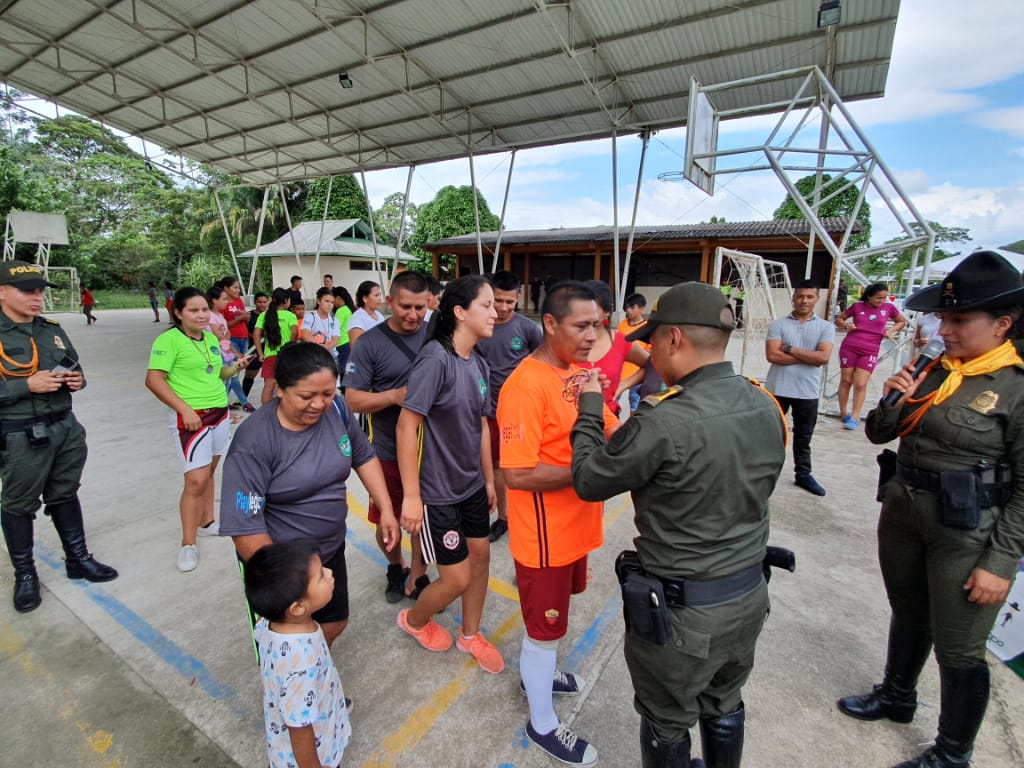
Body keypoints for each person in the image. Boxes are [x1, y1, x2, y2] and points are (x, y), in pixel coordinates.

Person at [571, 281, 787, 768]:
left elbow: (589, 479)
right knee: (724, 701)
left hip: (685, 615)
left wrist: (589, 407)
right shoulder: (764, 402)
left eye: (652, 341)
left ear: (673, 338)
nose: (650, 352)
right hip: (747, 595)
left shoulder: (663, 420)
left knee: (667, 719)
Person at [837, 250, 1024, 768]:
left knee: (959, 646)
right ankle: (897, 695)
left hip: (966, 532)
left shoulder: (1015, 387)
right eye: (944, 317)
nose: (945, 329)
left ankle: (952, 753)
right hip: (904, 513)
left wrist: (1000, 563)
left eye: (960, 320)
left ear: (1002, 324)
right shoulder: (935, 370)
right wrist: (895, 398)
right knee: (909, 612)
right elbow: (879, 433)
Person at [497, 280, 617, 767]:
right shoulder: (524, 386)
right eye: (581, 326)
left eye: (597, 325)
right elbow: (517, 472)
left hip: (574, 527)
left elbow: (605, 425)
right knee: (544, 628)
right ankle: (542, 723)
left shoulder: (579, 372)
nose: (592, 336)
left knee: (554, 620)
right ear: (549, 323)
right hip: (544, 537)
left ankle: (539, 675)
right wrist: (590, 469)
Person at [221, 342, 398, 648]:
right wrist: (293, 582)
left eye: (327, 393)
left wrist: (386, 509)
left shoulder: (338, 410)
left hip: (328, 551)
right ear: (279, 389)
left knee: (334, 622)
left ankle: (314, 672)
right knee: (285, 646)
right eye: (306, 396)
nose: (319, 404)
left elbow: (363, 456)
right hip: (282, 567)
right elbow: (245, 527)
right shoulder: (254, 441)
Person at [395, 275, 503, 674]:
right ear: (460, 312)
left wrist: (488, 480)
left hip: (471, 486)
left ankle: (470, 635)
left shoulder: (479, 363)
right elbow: (406, 426)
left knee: (481, 558)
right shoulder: (435, 359)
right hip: (437, 492)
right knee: (456, 579)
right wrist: (411, 497)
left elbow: (482, 426)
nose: (495, 313)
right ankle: (414, 620)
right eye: (486, 305)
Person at [0, 260, 118, 613]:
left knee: (64, 492)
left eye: (40, 291)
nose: (37, 297)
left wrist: (77, 380)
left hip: (64, 426)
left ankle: (78, 558)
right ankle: (25, 574)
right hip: (20, 432)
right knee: (19, 504)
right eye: (27, 291)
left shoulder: (50, 329)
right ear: (2, 292)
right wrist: (26, 385)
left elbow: (73, 365)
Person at [145, 287, 254, 572]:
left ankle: (207, 523)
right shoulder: (168, 340)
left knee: (208, 473)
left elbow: (217, 373)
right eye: (193, 310)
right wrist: (184, 410)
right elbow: (154, 380)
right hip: (191, 420)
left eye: (205, 309)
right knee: (195, 481)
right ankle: (188, 543)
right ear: (178, 313)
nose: (202, 315)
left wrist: (236, 367)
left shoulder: (210, 339)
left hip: (219, 414)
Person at [344, 271, 432, 602]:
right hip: (385, 449)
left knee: (425, 519)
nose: (413, 315)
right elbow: (352, 399)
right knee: (388, 517)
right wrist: (395, 396)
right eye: (406, 307)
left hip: (431, 451)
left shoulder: (437, 335)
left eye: (420, 308)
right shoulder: (369, 343)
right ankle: (396, 566)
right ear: (390, 302)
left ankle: (419, 574)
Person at [244, 539, 351, 768]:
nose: (330, 573)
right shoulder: (302, 663)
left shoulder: (269, 623)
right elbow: (300, 731)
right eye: (321, 576)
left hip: (311, 719)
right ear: (297, 608)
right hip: (315, 754)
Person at [475, 270, 542, 543]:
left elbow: (543, 364)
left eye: (509, 302)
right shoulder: (480, 327)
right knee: (496, 467)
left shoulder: (528, 329)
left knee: (528, 467)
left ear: (519, 298)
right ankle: (503, 517)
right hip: (489, 412)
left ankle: (530, 515)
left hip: (522, 414)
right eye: (497, 301)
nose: (503, 308)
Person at [764, 280, 835, 496]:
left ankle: (803, 474)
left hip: (807, 392)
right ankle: (764, 474)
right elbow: (772, 355)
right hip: (778, 389)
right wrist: (809, 357)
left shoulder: (826, 327)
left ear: (817, 299)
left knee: (803, 438)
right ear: (793, 298)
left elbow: (823, 358)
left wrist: (790, 349)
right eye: (800, 296)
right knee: (771, 436)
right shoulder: (778, 325)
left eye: (809, 297)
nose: (804, 300)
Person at [836, 282, 907, 430]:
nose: (881, 301)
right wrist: (847, 325)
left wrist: (890, 331)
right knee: (846, 380)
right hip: (850, 347)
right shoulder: (857, 306)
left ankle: (855, 417)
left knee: (861, 383)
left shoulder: (889, 308)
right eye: (878, 298)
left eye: (884, 298)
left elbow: (901, 321)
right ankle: (843, 412)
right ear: (869, 296)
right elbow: (839, 319)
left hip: (870, 350)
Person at [583, 280, 648, 417]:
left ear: (607, 312)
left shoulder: (620, 342)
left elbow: (652, 364)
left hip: (608, 419)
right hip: (569, 420)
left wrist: (623, 385)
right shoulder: (567, 340)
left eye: (591, 308)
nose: (582, 313)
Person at [206, 284, 254, 412]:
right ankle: (224, 406)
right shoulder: (209, 317)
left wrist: (232, 351)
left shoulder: (220, 316)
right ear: (214, 301)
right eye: (223, 299)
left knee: (230, 379)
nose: (226, 302)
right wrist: (236, 352)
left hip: (225, 352)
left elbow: (227, 335)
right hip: (216, 354)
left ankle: (227, 405)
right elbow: (221, 337)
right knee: (225, 380)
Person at [253, 288, 299, 405]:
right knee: (288, 385)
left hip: (270, 355)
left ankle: (266, 411)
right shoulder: (290, 315)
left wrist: (260, 353)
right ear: (286, 301)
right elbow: (295, 332)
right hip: (286, 355)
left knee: (269, 385)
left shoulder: (264, 315)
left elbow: (256, 334)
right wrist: (290, 348)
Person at [617, 293, 649, 413]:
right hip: (620, 371)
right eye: (627, 307)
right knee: (613, 400)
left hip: (637, 373)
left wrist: (635, 352)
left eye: (632, 307)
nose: (628, 310)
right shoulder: (622, 324)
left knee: (634, 403)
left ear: (641, 309)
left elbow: (651, 350)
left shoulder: (647, 327)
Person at [301, 287, 340, 368]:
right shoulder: (310, 316)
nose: (329, 304)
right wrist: (319, 347)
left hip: (331, 358)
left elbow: (336, 338)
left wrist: (327, 347)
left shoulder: (335, 320)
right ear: (318, 301)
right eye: (326, 301)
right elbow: (305, 334)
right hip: (313, 357)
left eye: (332, 302)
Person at [242, 292, 269, 400]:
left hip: (267, 349)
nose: (262, 304)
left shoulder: (270, 315)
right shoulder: (249, 316)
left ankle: (269, 399)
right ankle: (242, 399)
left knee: (269, 376)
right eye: (259, 302)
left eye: (264, 302)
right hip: (253, 349)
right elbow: (243, 331)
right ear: (255, 302)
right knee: (250, 374)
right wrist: (255, 336)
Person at [348, 280, 385, 346]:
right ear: (365, 298)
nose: (380, 299)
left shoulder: (379, 315)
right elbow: (356, 348)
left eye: (380, 295)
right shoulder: (357, 319)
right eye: (376, 295)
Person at [332, 286, 355, 379]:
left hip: (341, 343)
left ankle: (345, 384)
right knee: (350, 367)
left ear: (338, 298)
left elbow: (335, 327)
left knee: (343, 368)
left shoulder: (340, 311)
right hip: (349, 341)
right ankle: (352, 382)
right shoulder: (349, 309)